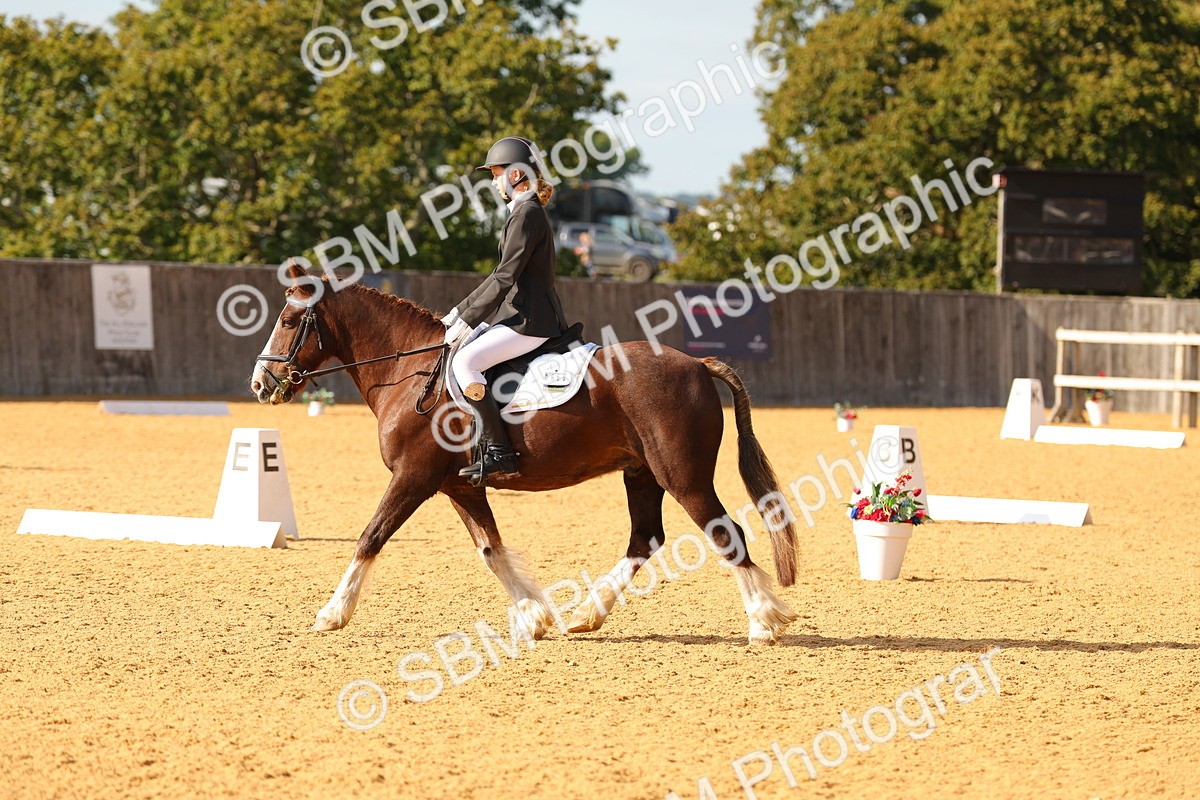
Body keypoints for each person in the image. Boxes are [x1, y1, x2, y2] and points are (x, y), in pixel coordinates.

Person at [442, 136, 568, 485]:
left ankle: (499, 452)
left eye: (496, 173)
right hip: (520, 315)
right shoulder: (524, 212)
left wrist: (467, 320)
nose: (493, 181)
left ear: (515, 175)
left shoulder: (526, 214)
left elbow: (504, 276)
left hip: (531, 321)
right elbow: (500, 277)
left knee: (465, 362)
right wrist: (457, 313)